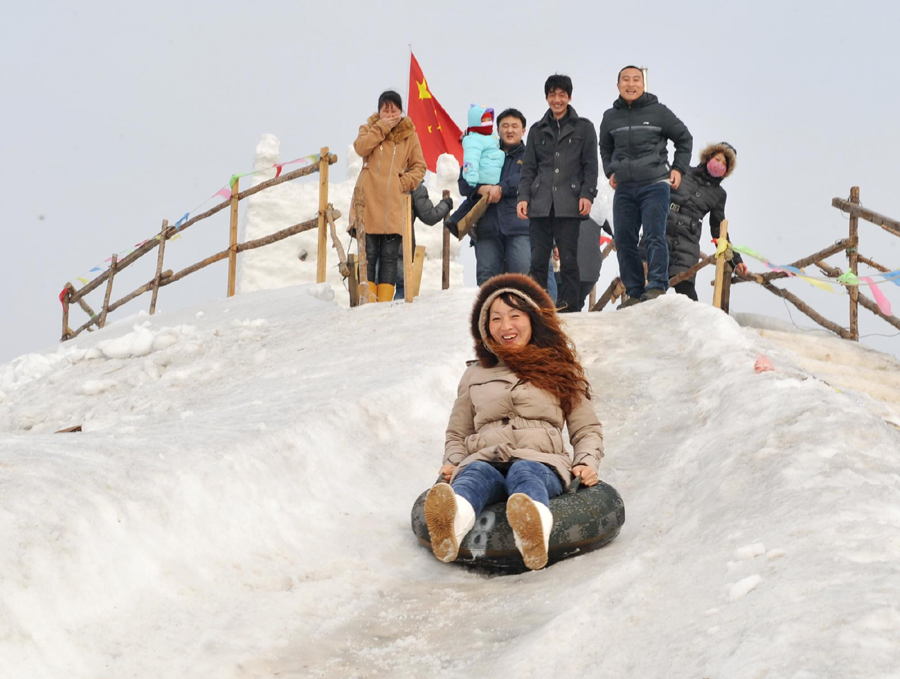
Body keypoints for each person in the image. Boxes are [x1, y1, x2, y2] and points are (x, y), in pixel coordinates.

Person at [424, 273, 604, 570]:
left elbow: (586, 428)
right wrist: (454, 461)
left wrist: (586, 461)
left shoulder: (560, 369)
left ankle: (533, 530)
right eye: (495, 319)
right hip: (486, 456)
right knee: (475, 474)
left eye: (514, 315)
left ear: (532, 319)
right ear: (486, 327)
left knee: (525, 471)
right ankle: (451, 526)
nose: (505, 326)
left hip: (541, 461)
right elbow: (458, 431)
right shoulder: (474, 375)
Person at [599, 66, 692, 308]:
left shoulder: (659, 112)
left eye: (636, 80)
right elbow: (605, 146)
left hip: (655, 184)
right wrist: (611, 170)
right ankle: (634, 292)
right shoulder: (610, 116)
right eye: (626, 80)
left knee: (653, 235)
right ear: (618, 85)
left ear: (643, 84)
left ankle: (657, 286)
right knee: (625, 240)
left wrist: (678, 168)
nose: (631, 84)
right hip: (625, 188)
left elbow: (684, 138)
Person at [517, 75, 599, 313]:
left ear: (569, 97)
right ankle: (539, 305)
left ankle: (569, 306)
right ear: (546, 98)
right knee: (538, 260)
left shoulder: (584, 127)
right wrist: (524, 198)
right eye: (552, 95)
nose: (557, 99)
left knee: (570, 258)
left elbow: (590, 166)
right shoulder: (536, 130)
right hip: (539, 202)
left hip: (570, 201)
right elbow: (529, 168)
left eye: (562, 94)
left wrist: (587, 195)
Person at [352, 90, 427, 302]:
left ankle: (383, 302)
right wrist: (382, 127)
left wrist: (401, 183)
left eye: (394, 108)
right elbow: (361, 148)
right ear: (379, 111)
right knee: (368, 253)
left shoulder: (410, 135)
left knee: (389, 256)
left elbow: (419, 166)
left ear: (401, 111)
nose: (390, 112)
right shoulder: (368, 129)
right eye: (385, 108)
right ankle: (366, 299)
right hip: (368, 200)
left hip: (393, 203)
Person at [449, 108, 531, 285]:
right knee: (487, 281)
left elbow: (528, 179)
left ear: (523, 130)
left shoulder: (531, 156)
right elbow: (464, 182)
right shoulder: (484, 152)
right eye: (505, 126)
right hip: (486, 227)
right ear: (497, 130)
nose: (509, 130)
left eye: (515, 126)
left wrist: (502, 188)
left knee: (522, 279)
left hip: (519, 227)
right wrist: (481, 189)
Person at [666, 142, 747, 300]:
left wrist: (736, 261)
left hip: (687, 244)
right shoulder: (683, 171)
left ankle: (698, 325)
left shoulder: (719, 194)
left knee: (687, 294)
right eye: (717, 159)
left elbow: (718, 230)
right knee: (643, 284)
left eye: (724, 164)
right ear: (708, 157)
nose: (719, 164)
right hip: (661, 231)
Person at [393, 182, 453, 300]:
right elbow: (429, 216)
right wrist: (445, 205)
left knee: (376, 289)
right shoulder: (412, 183)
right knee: (402, 287)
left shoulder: (376, 175)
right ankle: (396, 317)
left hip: (374, 245)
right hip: (400, 244)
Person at [461, 105, 505, 187]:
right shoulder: (473, 140)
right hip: (482, 181)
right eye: (484, 121)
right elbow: (471, 158)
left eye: (489, 120)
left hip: (494, 181)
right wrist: (472, 177)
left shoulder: (492, 136)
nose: (488, 123)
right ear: (475, 122)